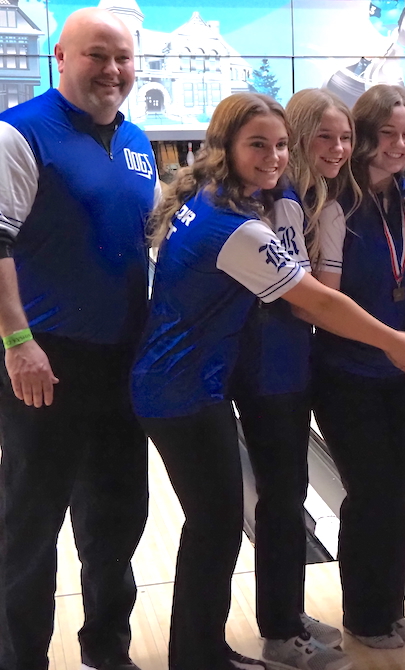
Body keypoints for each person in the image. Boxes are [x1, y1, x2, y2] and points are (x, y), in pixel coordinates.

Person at [131, 92, 405, 670]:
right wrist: (394, 341)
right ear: (225, 147)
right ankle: (206, 653)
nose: (274, 157)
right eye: (260, 145)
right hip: (186, 387)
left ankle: (233, 640)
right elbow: (314, 300)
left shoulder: (222, 197)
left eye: (279, 146)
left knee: (232, 519)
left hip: (196, 381)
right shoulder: (239, 224)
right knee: (220, 525)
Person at [0, 9, 154, 669]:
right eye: (97, 56)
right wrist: (16, 343)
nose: (112, 70)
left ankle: (107, 649)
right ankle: (19, 657)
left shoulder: (138, 139)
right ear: (60, 56)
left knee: (118, 512)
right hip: (46, 357)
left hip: (123, 358)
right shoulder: (19, 134)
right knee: (32, 521)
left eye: (122, 57)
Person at [223, 88, 353, 669]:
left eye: (344, 137)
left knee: (285, 496)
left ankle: (287, 614)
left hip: (283, 366)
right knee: (277, 500)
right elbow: (306, 301)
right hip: (264, 369)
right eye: (321, 136)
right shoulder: (280, 200)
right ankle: (278, 630)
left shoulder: (293, 196)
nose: (337, 148)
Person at [305, 85, 405, 649]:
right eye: (387, 134)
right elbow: (326, 302)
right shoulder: (338, 205)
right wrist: (389, 341)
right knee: (371, 491)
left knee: (401, 489)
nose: (400, 145)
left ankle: (390, 605)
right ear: (362, 138)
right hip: (348, 374)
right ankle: (364, 612)